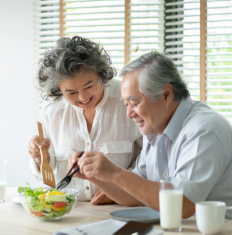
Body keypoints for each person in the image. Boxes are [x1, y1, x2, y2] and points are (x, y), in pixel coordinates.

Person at [69, 51, 232, 218]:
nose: (129, 113)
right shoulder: (155, 129)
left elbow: (183, 205)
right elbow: (133, 195)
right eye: (126, 104)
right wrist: (94, 175)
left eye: (134, 103)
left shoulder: (203, 131)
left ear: (166, 94)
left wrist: (115, 173)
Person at [28, 36, 142, 203]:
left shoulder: (129, 100)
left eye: (89, 86)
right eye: (71, 93)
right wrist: (39, 159)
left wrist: (121, 189)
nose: (83, 97)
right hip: (68, 211)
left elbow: (149, 159)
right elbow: (47, 174)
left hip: (121, 208)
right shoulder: (51, 112)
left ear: (101, 75)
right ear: (58, 89)